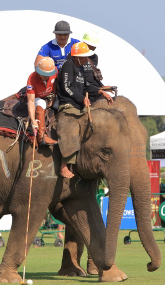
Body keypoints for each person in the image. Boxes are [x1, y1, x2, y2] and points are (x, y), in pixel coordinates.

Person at [57, 42, 113, 178]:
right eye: (83, 57)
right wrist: (82, 98)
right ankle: (64, 165)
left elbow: (87, 87)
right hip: (68, 105)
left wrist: (101, 92)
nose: (86, 59)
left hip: (79, 107)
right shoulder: (68, 65)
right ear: (76, 57)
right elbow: (67, 87)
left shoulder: (82, 68)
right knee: (70, 127)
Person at [27, 57, 58, 145]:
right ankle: (41, 137)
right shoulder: (32, 78)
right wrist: (33, 120)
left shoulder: (54, 72)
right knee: (41, 103)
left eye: (47, 75)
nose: (45, 77)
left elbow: (55, 82)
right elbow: (31, 101)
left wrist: (54, 97)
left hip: (49, 95)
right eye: (43, 75)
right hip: (37, 97)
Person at [82, 31, 116, 102]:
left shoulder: (94, 57)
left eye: (94, 45)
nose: (94, 47)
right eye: (91, 45)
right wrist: (99, 90)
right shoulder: (74, 56)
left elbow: (92, 76)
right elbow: (79, 80)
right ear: (85, 43)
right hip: (84, 92)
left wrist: (103, 86)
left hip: (95, 91)